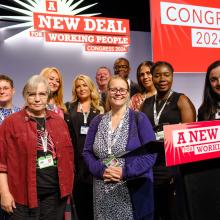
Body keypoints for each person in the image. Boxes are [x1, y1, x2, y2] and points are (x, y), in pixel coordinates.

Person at [0, 75, 74, 220]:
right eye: (32, 94)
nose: (37, 99)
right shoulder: (10, 123)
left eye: (42, 94)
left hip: (55, 196)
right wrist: (4, 193)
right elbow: (1, 164)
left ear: (48, 95)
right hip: (21, 197)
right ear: (24, 96)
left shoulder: (59, 122)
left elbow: (69, 158)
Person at [83, 75, 157, 220]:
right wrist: (100, 170)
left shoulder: (139, 118)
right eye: (114, 89)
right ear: (107, 92)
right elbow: (87, 153)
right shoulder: (97, 121)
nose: (118, 93)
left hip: (132, 190)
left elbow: (151, 153)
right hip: (102, 190)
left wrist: (125, 172)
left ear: (128, 93)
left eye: (122, 90)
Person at [141, 61, 196, 220]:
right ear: (152, 78)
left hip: (173, 167)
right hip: (151, 166)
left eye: (166, 75)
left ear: (172, 77)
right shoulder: (147, 103)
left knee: (173, 212)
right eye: (157, 75)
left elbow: (189, 139)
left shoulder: (181, 100)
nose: (162, 79)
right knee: (155, 212)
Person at [65, 74, 104, 220]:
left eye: (84, 85)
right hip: (75, 163)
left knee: (94, 204)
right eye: (78, 86)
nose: (81, 88)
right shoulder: (69, 108)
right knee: (78, 204)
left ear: (90, 87)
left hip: (94, 162)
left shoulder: (100, 109)